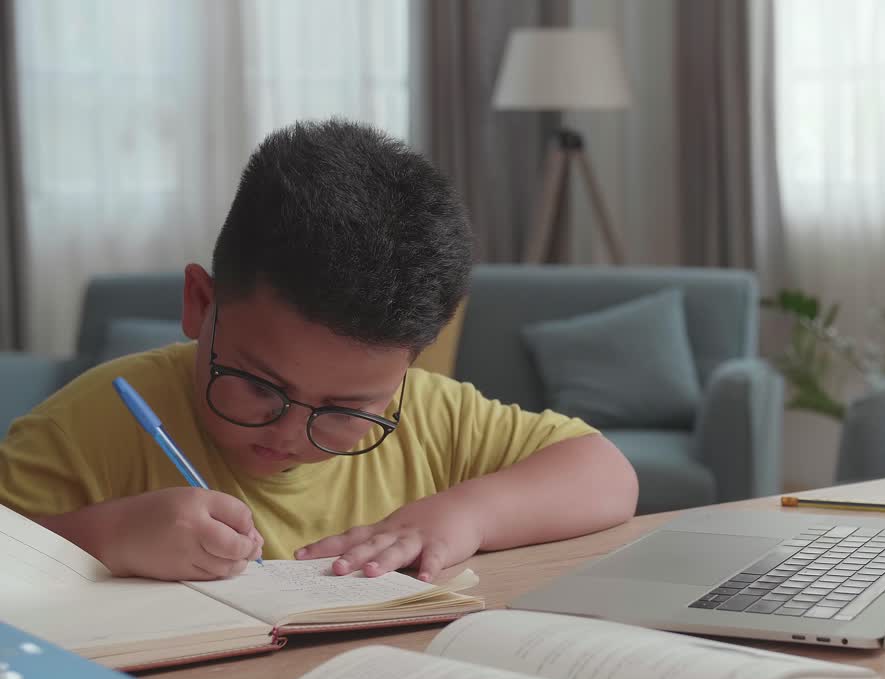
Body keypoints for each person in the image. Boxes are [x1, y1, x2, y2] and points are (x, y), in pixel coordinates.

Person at [0, 118, 638, 583]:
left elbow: (608, 474)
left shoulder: (426, 417)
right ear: (200, 303)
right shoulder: (84, 429)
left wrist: (465, 514)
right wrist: (102, 538)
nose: (288, 435)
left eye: (345, 410)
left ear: (406, 369)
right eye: (259, 386)